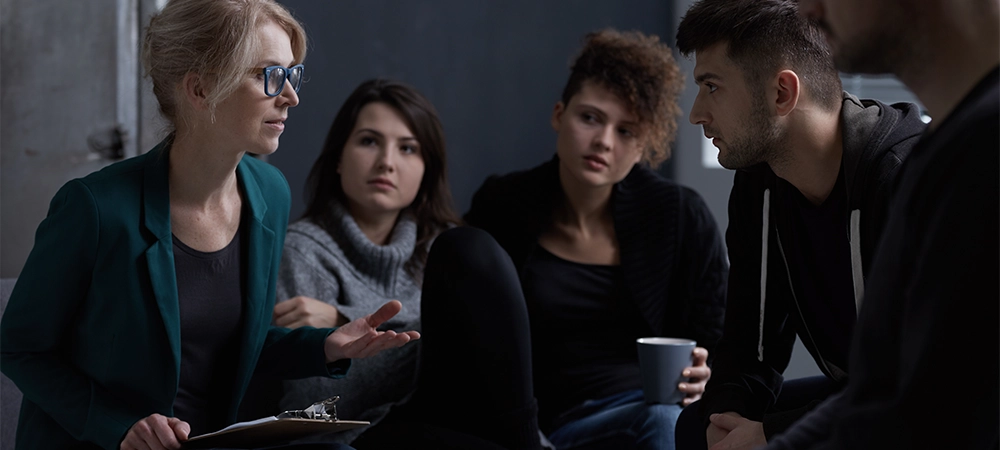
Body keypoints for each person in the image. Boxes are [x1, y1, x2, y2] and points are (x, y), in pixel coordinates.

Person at [0, 1, 418, 449]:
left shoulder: (270, 193)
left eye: (292, 75)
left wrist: (326, 346)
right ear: (200, 90)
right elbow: (21, 348)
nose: (291, 96)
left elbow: (229, 346)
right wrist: (119, 427)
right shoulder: (96, 208)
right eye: (269, 76)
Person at [670, 1, 927, 448]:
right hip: (857, 396)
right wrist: (727, 417)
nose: (696, 114)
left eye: (711, 86)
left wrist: (770, 433)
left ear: (782, 93)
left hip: (921, 402)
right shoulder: (758, 183)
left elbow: (922, 375)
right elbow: (747, 347)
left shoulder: (904, 175)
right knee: (698, 430)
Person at [464, 29, 729, 450]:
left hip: (653, 408)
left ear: (644, 146)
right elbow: (467, 330)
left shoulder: (679, 215)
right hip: (545, 423)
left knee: (665, 420)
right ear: (558, 114)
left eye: (626, 132)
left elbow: (717, 335)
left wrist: (706, 368)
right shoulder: (504, 205)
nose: (604, 141)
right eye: (590, 118)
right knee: (663, 423)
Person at [759, 1, 998, 448]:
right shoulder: (938, 152)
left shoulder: (982, 152)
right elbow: (884, 385)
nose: (808, 9)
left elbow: (936, 417)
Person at [261, 78, 461, 445]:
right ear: (338, 158)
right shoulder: (303, 251)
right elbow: (314, 407)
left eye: (408, 148)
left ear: (427, 169)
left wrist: (343, 319)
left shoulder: (449, 251)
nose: (386, 162)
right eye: (369, 141)